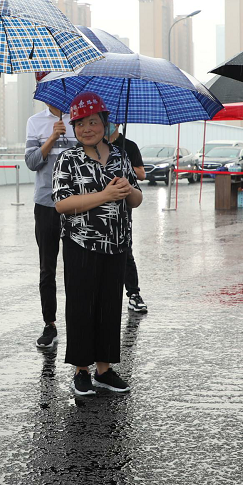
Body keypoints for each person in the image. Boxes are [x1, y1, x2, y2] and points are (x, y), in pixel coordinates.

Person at [54, 94, 144, 397]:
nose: (86, 129)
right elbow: (62, 204)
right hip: (80, 243)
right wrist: (105, 196)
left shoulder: (121, 156)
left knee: (109, 306)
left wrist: (128, 189)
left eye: (92, 122)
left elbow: (137, 200)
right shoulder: (68, 159)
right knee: (81, 306)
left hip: (117, 244)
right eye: (79, 123)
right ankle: (81, 370)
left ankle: (104, 370)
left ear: (105, 124)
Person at [25, 93, 73, 348]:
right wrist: (52, 137)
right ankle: (49, 323)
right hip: (46, 203)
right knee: (47, 268)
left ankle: (78, 322)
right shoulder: (35, 122)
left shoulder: (80, 120)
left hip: (77, 204)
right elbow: (31, 162)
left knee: (77, 267)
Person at [107, 122, 149, 313]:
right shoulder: (94, 145)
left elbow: (141, 174)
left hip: (122, 208)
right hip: (98, 210)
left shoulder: (129, 146)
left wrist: (123, 166)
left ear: (117, 123)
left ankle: (133, 293)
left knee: (125, 249)